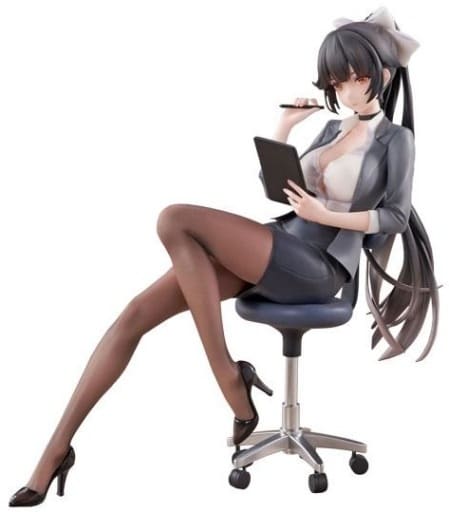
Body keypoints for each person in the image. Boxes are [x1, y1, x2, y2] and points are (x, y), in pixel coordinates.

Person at [8, 6, 440, 507]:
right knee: (134, 316)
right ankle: (54, 452)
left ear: (383, 75)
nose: (347, 89)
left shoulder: (396, 141)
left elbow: (396, 217)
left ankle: (231, 383)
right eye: (337, 80)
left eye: (357, 77)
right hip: (282, 245)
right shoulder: (330, 131)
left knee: (175, 219)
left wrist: (327, 215)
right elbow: (279, 190)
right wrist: (283, 128)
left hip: (320, 269)